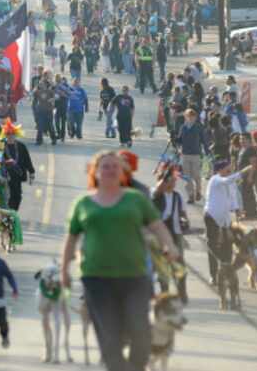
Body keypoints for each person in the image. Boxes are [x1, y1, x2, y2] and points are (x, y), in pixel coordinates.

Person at [61, 151, 179, 371]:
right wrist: (64, 270)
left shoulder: (136, 199)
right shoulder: (83, 204)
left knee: (141, 334)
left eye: (115, 166)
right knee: (110, 341)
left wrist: (169, 245)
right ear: (95, 172)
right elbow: (71, 238)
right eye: (105, 166)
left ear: (123, 172)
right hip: (96, 280)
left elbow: (157, 226)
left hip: (134, 277)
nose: (110, 170)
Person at [204, 160, 250, 288]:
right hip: (212, 216)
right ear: (219, 170)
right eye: (227, 170)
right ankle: (213, 275)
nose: (230, 172)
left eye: (231, 170)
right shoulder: (216, 179)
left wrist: (237, 210)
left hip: (225, 219)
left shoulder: (231, 183)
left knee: (228, 246)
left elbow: (233, 199)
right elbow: (227, 181)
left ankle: (227, 272)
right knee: (212, 244)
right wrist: (243, 172)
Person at [153, 162, 189, 303]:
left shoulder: (178, 196)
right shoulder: (156, 195)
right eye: (171, 181)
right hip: (160, 236)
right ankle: (165, 294)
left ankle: (182, 293)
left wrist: (184, 221)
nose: (174, 184)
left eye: (175, 181)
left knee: (180, 266)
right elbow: (157, 190)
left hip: (175, 234)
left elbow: (183, 213)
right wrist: (167, 172)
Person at [0, 120, 34, 212]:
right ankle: (9, 212)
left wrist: (31, 172)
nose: (10, 136)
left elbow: (27, 160)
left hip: (18, 175)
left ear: (15, 134)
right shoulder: (0, 146)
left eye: (12, 134)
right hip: (5, 175)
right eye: (8, 134)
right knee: (8, 196)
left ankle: (14, 212)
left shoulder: (21, 146)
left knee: (17, 196)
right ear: (5, 134)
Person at [176, 109, 208, 204]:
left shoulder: (199, 127)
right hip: (185, 154)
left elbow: (203, 140)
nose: (190, 118)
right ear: (185, 117)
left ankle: (198, 191)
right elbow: (179, 140)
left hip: (196, 154)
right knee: (187, 176)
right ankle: (191, 195)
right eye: (188, 116)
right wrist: (175, 139)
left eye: (192, 116)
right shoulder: (183, 127)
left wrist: (207, 150)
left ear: (195, 117)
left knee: (196, 175)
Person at [32, 73, 57, 146]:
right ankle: (39, 140)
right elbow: (32, 94)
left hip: (48, 111)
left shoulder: (50, 91)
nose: (41, 85)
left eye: (43, 84)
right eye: (40, 84)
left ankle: (54, 139)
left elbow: (56, 96)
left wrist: (53, 99)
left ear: (46, 85)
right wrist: (36, 87)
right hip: (40, 111)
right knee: (40, 126)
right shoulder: (38, 91)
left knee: (50, 126)